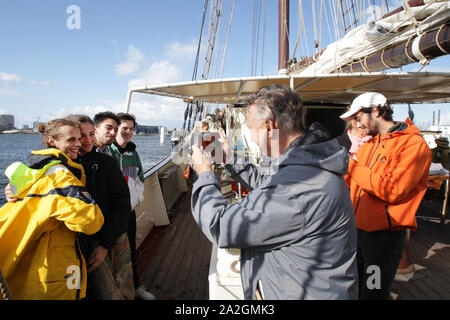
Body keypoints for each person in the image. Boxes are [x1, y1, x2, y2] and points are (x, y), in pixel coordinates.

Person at [190, 84, 358, 300]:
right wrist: (230, 159)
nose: (252, 136)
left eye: (252, 129)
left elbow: (222, 226)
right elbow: (267, 181)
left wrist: (204, 174)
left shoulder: (299, 186)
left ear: (269, 126)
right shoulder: (309, 164)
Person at [341, 92, 432, 300]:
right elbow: (352, 181)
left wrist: (350, 165)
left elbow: (392, 189)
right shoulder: (371, 144)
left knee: (373, 293)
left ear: (375, 111)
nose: (358, 124)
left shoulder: (413, 146)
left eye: (359, 117)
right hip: (357, 234)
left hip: (383, 241)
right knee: (354, 290)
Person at [0, 118, 104, 300]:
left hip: (26, 260)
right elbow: (90, 222)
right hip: (55, 265)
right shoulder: (60, 175)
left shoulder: (31, 167)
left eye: (79, 139)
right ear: (51, 141)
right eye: (71, 140)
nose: (78, 144)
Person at [68, 114, 135, 300]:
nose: (87, 140)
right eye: (81, 136)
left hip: (110, 235)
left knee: (122, 289)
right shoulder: (61, 166)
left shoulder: (106, 163)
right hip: (84, 241)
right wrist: (15, 186)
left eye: (91, 134)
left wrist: (105, 244)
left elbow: (122, 204)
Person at [107, 112, 155, 300]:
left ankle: (135, 287)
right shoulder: (105, 152)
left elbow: (139, 179)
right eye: (124, 128)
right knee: (111, 255)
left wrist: (134, 201)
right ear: (116, 129)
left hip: (128, 212)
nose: (128, 132)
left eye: (131, 129)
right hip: (110, 214)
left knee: (130, 251)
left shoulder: (132, 154)